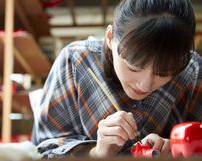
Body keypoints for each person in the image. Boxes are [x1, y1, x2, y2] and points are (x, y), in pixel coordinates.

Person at [30, 0, 202, 158]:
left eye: (164, 73)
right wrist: (97, 153)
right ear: (110, 37)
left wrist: (175, 148)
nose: (145, 85)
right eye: (134, 67)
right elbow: (43, 151)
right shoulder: (76, 61)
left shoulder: (192, 71)